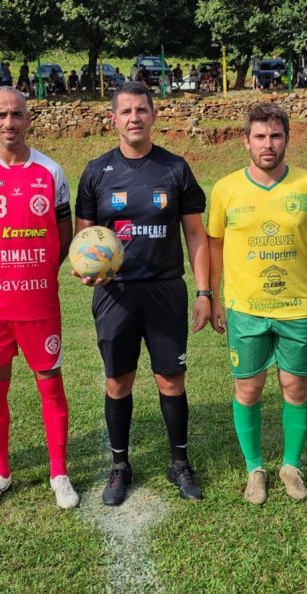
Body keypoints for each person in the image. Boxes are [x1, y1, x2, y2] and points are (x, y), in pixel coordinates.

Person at [75, 81, 211, 506]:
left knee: (171, 379)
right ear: (113, 118)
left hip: (165, 290)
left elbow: (196, 235)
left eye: (141, 110)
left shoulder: (175, 168)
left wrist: (204, 292)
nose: (134, 118)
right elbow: (84, 238)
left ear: (154, 115)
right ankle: (120, 465)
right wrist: (86, 269)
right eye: (126, 111)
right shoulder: (97, 171)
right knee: (118, 381)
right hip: (115, 294)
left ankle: (179, 462)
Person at [0, 87, 78, 509]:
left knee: (51, 385)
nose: (9, 122)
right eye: (1, 115)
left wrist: (38, 272)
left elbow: (63, 237)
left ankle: (59, 473)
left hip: (39, 303)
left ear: (28, 119)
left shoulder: (51, 172)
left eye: (17, 114)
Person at [207, 103, 307, 504]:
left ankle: (291, 466)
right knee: (248, 388)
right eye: (260, 136)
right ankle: (255, 469)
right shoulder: (225, 189)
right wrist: (211, 296)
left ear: (287, 140)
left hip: (297, 307)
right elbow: (214, 245)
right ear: (245, 141)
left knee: (295, 386)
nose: (268, 144)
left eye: (275, 136)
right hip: (245, 308)